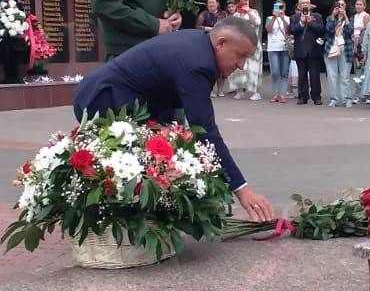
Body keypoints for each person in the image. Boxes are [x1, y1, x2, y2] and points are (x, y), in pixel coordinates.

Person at [72, 16, 274, 222]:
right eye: (240, 56)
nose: (241, 65)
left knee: (161, 154)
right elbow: (205, 131)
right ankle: (117, 223)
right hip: (104, 100)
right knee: (123, 168)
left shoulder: (202, 45)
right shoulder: (198, 63)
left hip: (123, 98)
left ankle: (145, 220)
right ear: (221, 43)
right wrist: (242, 189)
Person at [226, 0, 263, 100]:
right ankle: (239, 91)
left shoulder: (254, 12)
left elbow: (257, 23)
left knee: (253, 68)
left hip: (252, 44)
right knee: (239, 68)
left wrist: (249, 12)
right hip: (239, 45)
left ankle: (255, 92)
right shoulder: (236, 15)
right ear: (239, 2)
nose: (245, 0)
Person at [290, 0, 325, 105]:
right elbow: (292, 30)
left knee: (315, 76)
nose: (305, 4)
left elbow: (321, 30)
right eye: (303, 3)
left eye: (307, 3)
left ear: (310, 5)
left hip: (314, 50)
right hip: (300, 50)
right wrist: (301, 22)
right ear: (299, 6)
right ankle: (302, 96)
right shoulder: (294, 17)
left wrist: (310, 22)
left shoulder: (317, 16)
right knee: (302, 75)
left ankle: (316, 96)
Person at [324, 0, 356, 107]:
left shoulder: (350, 19)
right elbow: (329, 30)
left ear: (346, 6)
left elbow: (350, 30)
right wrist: (333, 16)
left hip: (345, 49)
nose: (340, 7)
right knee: (332, 75)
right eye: (338, 5)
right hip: (331, 48)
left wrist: (345, 17)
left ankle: (346, 98)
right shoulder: (330, 18)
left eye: (343, 5)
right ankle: (334, 99)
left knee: (344, 76)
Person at [265, 0, 291, 103]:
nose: (280, 9)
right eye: (278, 7)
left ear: (284, 8)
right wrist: (275, 16)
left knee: (284, 71)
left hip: (284, 47)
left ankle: (283, 94)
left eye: (282, 7)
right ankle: (276, 93)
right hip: (273, 47)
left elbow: (288, 30)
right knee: (275, 71)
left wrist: (283, 18)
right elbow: (268, 29)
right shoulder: (269, 18)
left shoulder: (288, 18)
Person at [350, 0, 370, 103]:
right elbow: (352, 30)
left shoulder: (366, 16)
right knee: (357, 71)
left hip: (363, 45)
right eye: (357, 4)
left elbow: (368, 31)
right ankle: (358, 94)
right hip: (355, 45)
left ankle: (367, 95)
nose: (358, 6)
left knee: (365, 71)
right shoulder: (354, 16)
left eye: (360, 4)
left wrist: (362, 42)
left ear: (364, 6)